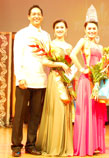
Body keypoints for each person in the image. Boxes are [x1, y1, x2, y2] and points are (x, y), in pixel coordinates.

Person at [11, 5, 50, 157]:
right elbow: (17, 56)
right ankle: (16, 145)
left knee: (35, 115)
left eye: (39, 14)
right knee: (20, 115)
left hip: (40, 80)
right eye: (33, 14)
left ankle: (31, 144)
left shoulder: (46, 35)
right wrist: (19, 77)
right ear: (28, 16)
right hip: (24, 79)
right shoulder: (22, 34)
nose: (36, 16)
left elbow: (47, 57)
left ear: (42, 17)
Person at [70, 5, 106, 156]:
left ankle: (94, 144)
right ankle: (85, 145)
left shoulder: (100, 46)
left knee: (95, 112)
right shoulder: (82, 42)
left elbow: (102, 64)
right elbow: (73, 54)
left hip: (97, 81)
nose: (91, 31)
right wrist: (82, 68)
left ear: (97, 29)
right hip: (86, 81)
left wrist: (102, 75)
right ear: (85, 29)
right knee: (85, 111)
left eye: (94, 29)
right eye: (89, 29)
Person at [36, 19, 73, 156]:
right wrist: (60, 65)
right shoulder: (50, 44)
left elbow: (70, 64)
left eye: (62, 27)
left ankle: (63, 144)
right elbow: (44, 61)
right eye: (57, 27)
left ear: (66, 29)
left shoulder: (69, 46)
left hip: (65, 80)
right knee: (56, 109)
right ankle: (53, 145)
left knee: (64, 110)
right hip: (54, 79)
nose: (59, 29)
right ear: (54, 30)